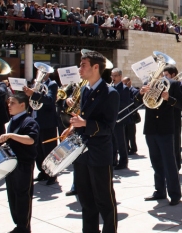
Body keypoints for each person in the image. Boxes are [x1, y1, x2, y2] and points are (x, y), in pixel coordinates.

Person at [63, 51, 119, 233]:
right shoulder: (85, 90)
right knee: (85, 200)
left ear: (96, 67)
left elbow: (108, 127)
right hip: (81, 153)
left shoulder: (110, 93)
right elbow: (82, 117)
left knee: (105, 200)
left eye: (83, 65)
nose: (80, 68)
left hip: (99, 153)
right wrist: (73, 126)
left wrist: (85, 123)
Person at [136, 64, 182, 206]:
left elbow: (181, 105)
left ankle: (175, 193)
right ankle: (160, 191)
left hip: (165, 128)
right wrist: (140, 94)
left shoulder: (174, 84)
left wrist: (169, 98)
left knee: (169, 162)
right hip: (150, 128)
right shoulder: (147, 85)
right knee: (155, 162)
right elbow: (135, 102)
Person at [0, 92, 39, 233]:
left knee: (22, 196)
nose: (9, 105)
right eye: (9, 102)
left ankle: (23, 227)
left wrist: (11, 135)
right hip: (11, 164)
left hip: (23, 165)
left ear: (22, 105)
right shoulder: (13, 120)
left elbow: (31, 139)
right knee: (12, 195)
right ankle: (18, 224)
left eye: (12, 103)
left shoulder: (29, 121)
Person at [23, 68, 59, 186]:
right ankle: (43, 172)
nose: (39, 73)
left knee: (49, 149)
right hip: (35, 119)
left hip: (47, 122)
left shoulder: (52, 84)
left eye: (42, 71)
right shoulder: (36, 84)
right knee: (38, 149)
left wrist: (34, 93)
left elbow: (49, 100)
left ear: (47, 73)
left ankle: (52, 174)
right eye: (38, 71)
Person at [163, 65, 182, 170]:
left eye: (166, 75)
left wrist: (169, 98)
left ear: (173, 75)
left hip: (174, 119)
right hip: (164, 119)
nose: (164, 77)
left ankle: (176, 166)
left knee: (175, 144)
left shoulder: (179, 85)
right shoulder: (163, 85)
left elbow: (181, 104)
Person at [111, 68, 130, 170]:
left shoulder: (124, 88)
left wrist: (112, 105)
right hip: (111, 119)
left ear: (120, 77)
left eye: (115, 76)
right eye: (112, 76)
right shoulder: (110, 87)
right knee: (112, 141)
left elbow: (124, 104)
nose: (113, 78)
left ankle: (123, 161)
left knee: (120, 141)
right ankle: (113, 160)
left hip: (119, 118)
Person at [122, 77, 140, 155]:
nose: (124, 84)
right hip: (124, 115)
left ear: (129, 82)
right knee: (124, 133)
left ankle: (133, 148)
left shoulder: (134, 91)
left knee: (131, 134)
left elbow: (135, 102)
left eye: (125, 83)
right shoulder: (123, 91)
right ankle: (126, 148)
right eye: (123, 83)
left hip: (131, 115)